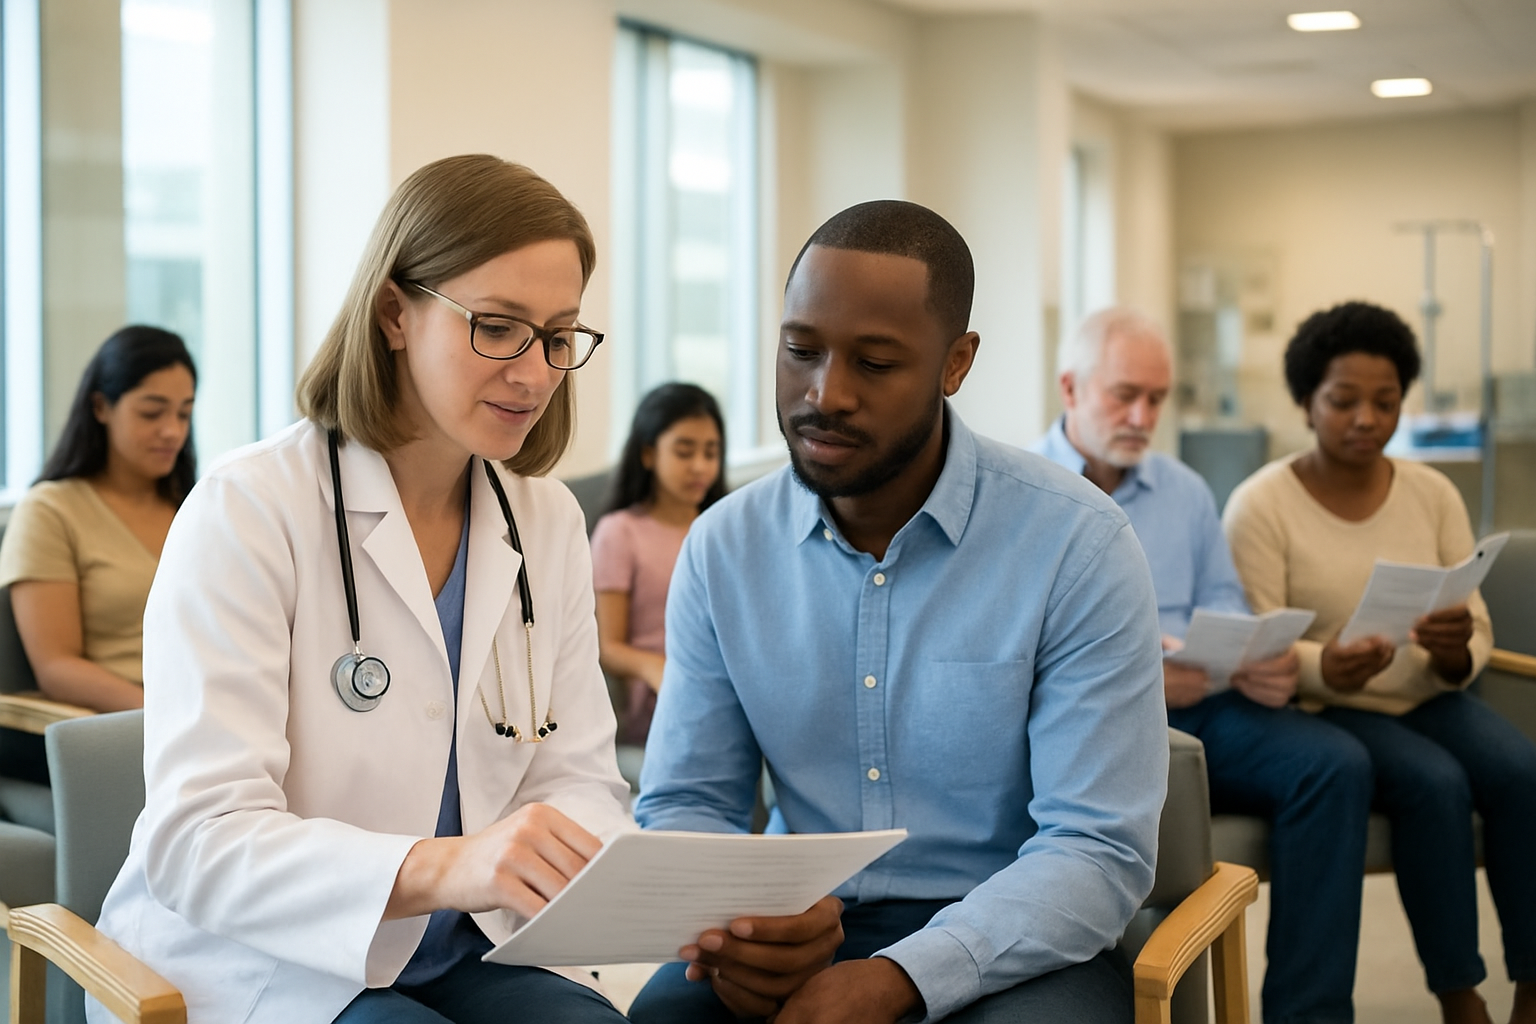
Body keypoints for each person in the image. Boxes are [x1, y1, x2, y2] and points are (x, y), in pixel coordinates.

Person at [90, 155, 635, 1024]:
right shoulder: (250, 509)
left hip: (480, 945)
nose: (534, 374)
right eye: (498, 327)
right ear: (394, 312)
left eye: (559, 336)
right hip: (278, 961)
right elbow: (197, 843)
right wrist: (443, 865)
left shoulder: (548, 522)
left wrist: (646, 891)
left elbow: (575, 780)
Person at [628, 201, 1167, 1024]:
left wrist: (899, 978)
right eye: (799, 350)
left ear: (956, 364)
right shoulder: (724, 548)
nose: (824, 394)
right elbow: (686, 801)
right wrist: (735, 929)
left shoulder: (1077, 544)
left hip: (1012, 931)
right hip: (801, 922)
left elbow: (1095, 849)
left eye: (875, 364)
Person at [1030, 306, 1372, 1024]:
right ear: (1070, 389)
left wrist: (1252, 660)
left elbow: (1223, 603)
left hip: (1205, 696)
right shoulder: (1028, 497)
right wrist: (1148, 678)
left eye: (1156, 398)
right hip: (1098, 716)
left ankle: (1309, 1013)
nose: (1142, 414)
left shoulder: (1183, 492)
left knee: (1335, 763)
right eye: (1124, 394)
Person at [1224, 301, 1536, 1024]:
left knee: (1522, 773)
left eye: (1386, 402)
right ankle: (1460, 995)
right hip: (1331, 708)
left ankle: (1531, 989)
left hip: (1430, 693)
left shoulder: (1431, 493)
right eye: (1343, 401)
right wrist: (1323, 666)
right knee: (1434, 783)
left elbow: (1477, 625)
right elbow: (1255, 639)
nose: (1366, 417)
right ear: (1306, 403)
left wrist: (1460, 649)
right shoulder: (1259, 505)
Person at [0, 325, 197, 715]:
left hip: (207, 704)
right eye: (152, 412)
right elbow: (56, 668)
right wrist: (167, 715)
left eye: (184, 413)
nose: (172, 430)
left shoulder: (192, 506)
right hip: (125, 722)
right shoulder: (50, 511)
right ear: (100, 407)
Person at [591, 382, 725, 746]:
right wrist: (655, 668)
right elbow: (607, 647)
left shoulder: (724, 528)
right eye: (684, 452)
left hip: (724, 681)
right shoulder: (619, 532)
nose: (700, 466)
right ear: (648, 454)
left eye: (711, 453)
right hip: (661, 697)